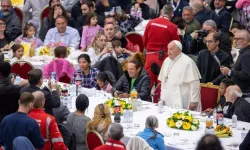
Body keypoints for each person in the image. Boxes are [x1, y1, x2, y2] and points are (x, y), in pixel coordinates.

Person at [143, 5, 180, 88]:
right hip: (164, 58)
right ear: (172, 14)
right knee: (161, 84)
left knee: (147, 82)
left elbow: (144, 40)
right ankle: (159, 100)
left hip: (150, 56)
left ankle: (143, 99)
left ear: (161, 12)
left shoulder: (150, 22)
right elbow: (177, 45)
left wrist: (148, 51)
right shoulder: (173, 27)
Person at [159, 40, 201, 111]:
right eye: (168, 49)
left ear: (178, 50)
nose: (168, 51)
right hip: (168, 96)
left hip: (183, 97)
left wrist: (193, 101)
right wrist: (162, 97)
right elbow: (163, 81)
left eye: (171, 49)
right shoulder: (166, 61)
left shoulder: (188, 62)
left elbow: (195, 84)